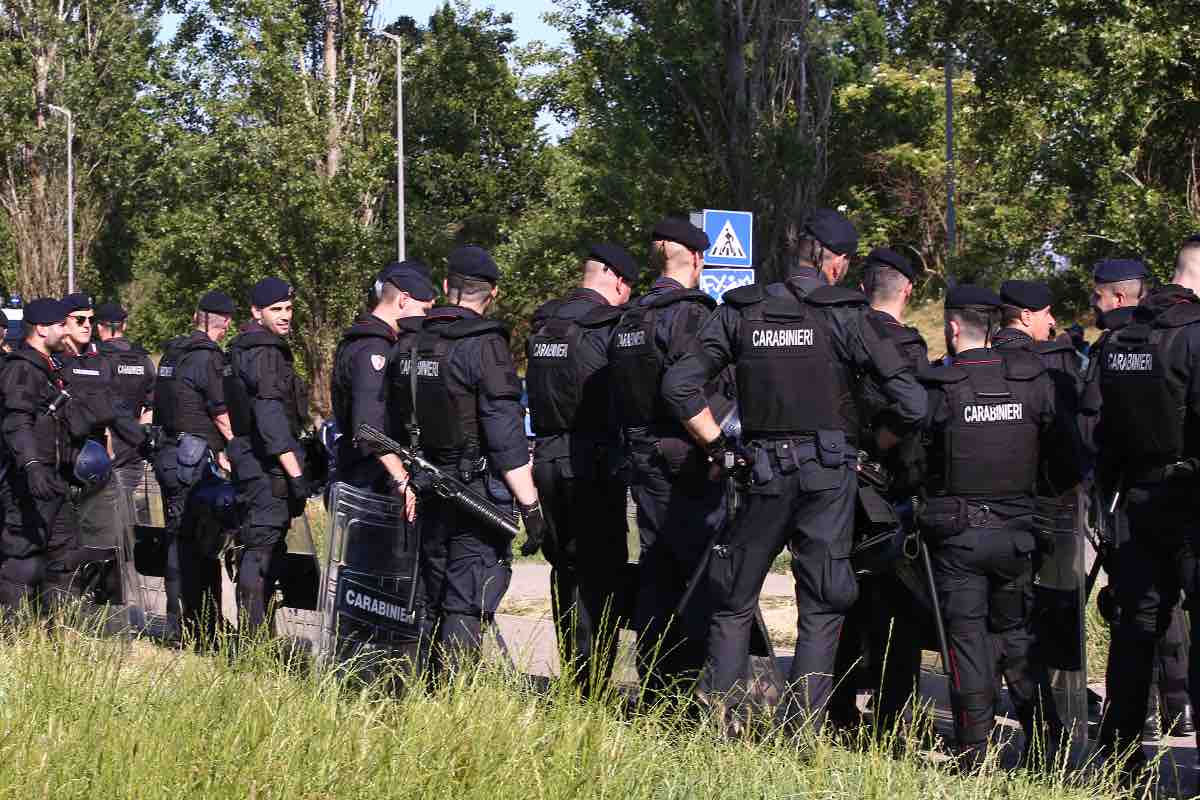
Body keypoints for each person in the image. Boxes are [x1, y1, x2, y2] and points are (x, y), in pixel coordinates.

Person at [662, 210, 926, 733]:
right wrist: (875, 439)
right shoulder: (847, 315)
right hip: (829, 475)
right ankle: (802, 734)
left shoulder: (742, 308)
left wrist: (719, 447)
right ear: (836, 263)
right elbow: (914, 403)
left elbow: (679, 387)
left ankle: (720, 724)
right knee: (823, 605)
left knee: (734, 599)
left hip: (759, 471)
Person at [919, 285, 1078, 767]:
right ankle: (1045, 740)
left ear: (951, 328)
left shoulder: (940, 387)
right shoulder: (1034, 384)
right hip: (1018, 533)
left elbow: (914, 463)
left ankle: (974, 749)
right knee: (1016, 635)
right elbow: (1066, 457)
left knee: (968, 639)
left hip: (959, 537)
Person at [410, 246, 549, 673]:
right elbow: (506, 438)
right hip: (476, 494)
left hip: (431, 486)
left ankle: (423, 690)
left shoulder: (416, 342)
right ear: (491, 294)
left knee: (433, 595)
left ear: (446, 286)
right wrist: (530, 507)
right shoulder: (485, 346)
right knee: (465, 600)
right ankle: (453, 705)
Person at [609, 217, 731, 698]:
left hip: (642, 463)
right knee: (696, 576)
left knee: (656, 570)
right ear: (697, 259)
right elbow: (696, 390)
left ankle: (656, 683)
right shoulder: (693, 316)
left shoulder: (630, 318)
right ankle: (689, 690)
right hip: (690, 466)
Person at [1095, 242, 1200, 777]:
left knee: (1134, 632)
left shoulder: (1119, 338)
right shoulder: (1194, 336)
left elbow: (1102, 429)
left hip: (1132, 504)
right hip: (1187, 504)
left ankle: (1119, 761)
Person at [525, 242, 637, 696]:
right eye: (627, 285)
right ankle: (592, 683)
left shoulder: (545, 323)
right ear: (614, 277)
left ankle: (576, 673)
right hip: (592, 463)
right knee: (600, 572)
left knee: (564, 570)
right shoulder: (606, 326)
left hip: (548, 462)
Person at [829, 246, 929, 734]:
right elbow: (915, 419)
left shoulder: (839, 333)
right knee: (903, 610)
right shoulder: (908, 347)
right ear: (907, 289)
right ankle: (891, 717)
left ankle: (840, 708)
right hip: (891, 493)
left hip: (837, 485)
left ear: (865, 286)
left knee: (842, 599)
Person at [224, 278, 312, 635]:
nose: (285, 316)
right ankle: (254, 641)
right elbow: (270, 416)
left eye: (289, 309)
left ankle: (255, 634)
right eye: (276, 309)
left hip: (248, 459)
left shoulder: (241, 348)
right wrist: (295, 473)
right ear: (256, 312)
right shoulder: (266, 351)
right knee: (262, 552)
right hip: (267, 467)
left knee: (255, 547)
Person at [152, 290, 236, 643]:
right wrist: (239, 448)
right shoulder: (209, 359)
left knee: (178, 538)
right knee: (202, 544)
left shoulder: (174, 352)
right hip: (194, 462)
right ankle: (205, 627)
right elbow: (222, 415)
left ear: (195, 316)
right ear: (227, 322)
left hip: (167, 455)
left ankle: (177, 625)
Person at [0, 299, 94, 615]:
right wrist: (31, 465)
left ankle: (62, 634)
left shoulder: (49, 367)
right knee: (23, 557)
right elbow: (17, 422)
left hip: (54, 480)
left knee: (66, 555)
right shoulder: (22, 369)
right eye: (58, 326)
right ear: (42, 329)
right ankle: (14, 636)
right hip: (28, 481)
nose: (64, 331)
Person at [331, 262, 432, 506]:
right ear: (403, 300)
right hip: (372, 478)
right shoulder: (374, 348)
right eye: (424, 310)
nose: (426, 319)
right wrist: (402, 479)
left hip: (367, 472)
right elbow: (369, 429)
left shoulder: (359, 340)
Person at [95, 302, 156, 499]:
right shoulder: (143, 358)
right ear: (125, 325)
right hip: (134, 450)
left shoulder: (95, 358)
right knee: (123, 509)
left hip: (102, 447)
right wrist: (138, 432)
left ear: (98, 327)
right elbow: (153, 405)